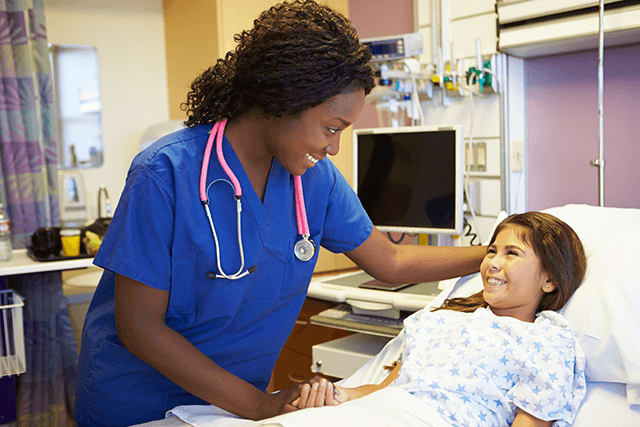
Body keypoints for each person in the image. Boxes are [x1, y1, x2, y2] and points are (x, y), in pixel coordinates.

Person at [74, 1, 486, 426]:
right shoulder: (165, 172)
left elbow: (391, 261)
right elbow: (140, 328)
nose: (334, 148)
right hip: (137, 404)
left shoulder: (315, 179)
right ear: (285, 99)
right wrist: (260, 406)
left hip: (233, 405)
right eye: (332, 127)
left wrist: (496, 252)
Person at [293, 212, 587, 427]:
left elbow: (531, 422)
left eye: (512, 253)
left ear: (549, 279)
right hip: (382, 411)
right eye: (492, 251)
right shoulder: (441, 319)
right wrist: (336, 394)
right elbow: (387, 389)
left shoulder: (545, 340)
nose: (493, 263)